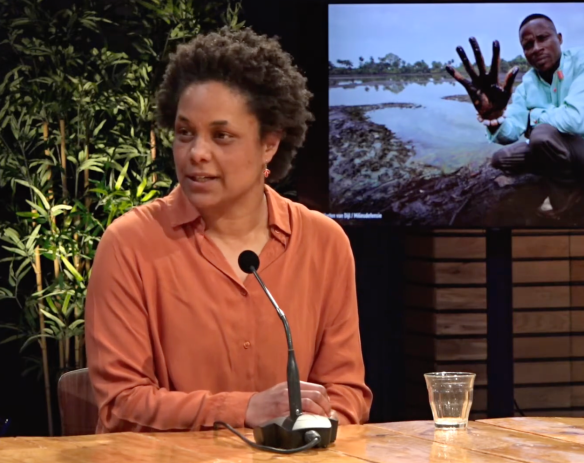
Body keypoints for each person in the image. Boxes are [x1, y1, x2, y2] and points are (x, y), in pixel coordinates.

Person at [84, 26, 373, 433]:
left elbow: (345, 392)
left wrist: (313, 428)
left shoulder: (324, 243)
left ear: (269, 143)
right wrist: (245, 409)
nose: (196, 153)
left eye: (221, 136)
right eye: (185, 133)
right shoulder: (129, 244)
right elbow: (122, 402)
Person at [446, 13, 584, 216]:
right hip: (555, 147)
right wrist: (494, 117)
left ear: (560, 38)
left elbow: (578, 120)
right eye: (528, 45)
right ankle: (554, 168)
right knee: (500, 159)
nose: (536, 48)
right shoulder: (527, 84)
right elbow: (511, 131)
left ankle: (566, 191)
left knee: (541, 135)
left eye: (543, 38)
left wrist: (533, 117)